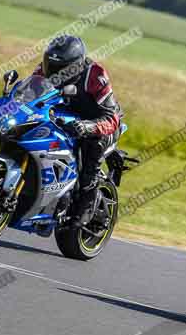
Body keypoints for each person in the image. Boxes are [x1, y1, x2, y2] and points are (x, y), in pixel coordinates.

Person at [34, 35, 124, 226]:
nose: (54, 73)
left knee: (92, 146)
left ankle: (86, 205)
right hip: (66, 118)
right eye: (52, 65)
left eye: (61, 68)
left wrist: (89, 127)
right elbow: (30, 95)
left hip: (101, 123)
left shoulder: (95, 75)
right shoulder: (43, 70)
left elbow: (111, 118)